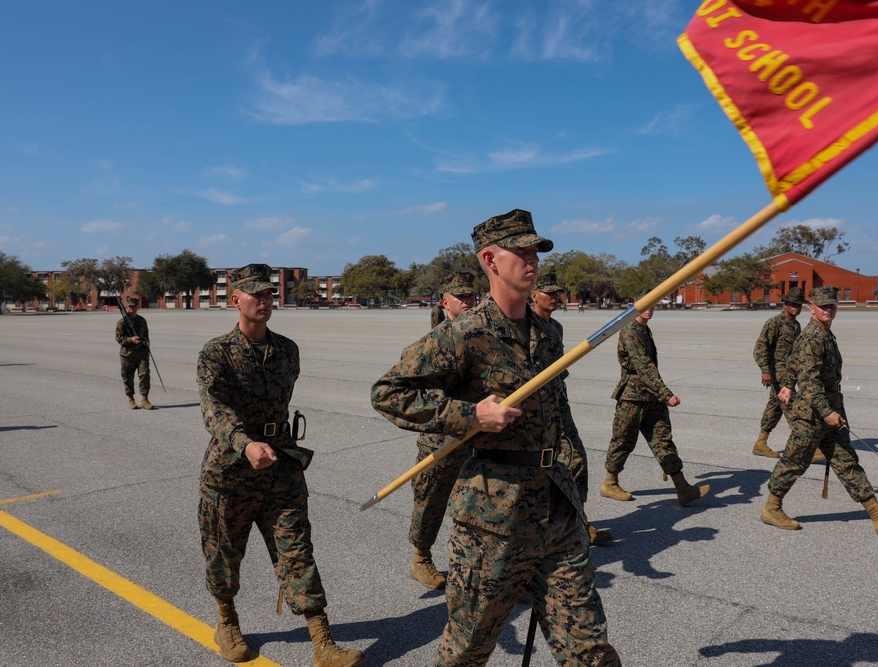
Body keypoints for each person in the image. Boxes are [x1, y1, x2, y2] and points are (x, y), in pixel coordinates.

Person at [372, 209, 620, 666]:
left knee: (590, 650)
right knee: (468, 648)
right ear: (490, 258)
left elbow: (556, 406)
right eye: (520, 251)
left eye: (535, 251)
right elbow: (388, 394)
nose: (533, 260)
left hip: (556, 510)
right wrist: (470, 415)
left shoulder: (549, 332)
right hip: (493, 518)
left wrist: (573, 465)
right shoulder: (463, 334)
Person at [197, 263, 365, 667]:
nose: (265, 301)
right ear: (235, 299)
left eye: (270, 294)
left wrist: (271, 442)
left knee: (297, 551)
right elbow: (214, 409)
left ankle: (323, 643)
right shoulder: (216, 353)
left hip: (281, 466)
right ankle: (227, 621)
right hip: (230, 472)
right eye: (256, 295)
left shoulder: (287, 350)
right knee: (224, 552)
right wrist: (245, 442)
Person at [761, 286, 878, 535]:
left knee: (847, 462)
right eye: (823, 306)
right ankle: (772, 509)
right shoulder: (813, 338)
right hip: (811, 416)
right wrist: (825, 411)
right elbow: (810, 382)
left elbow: (792, 362)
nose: (828, 310)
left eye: (832, 306)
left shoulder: (824, 334)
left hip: (830, 412)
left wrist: (788, 385)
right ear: (811, 309)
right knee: (794, 462)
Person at [407, 270, 478, 590]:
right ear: (444, 301)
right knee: (430, 501)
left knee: (479, 508)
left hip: (477, 437)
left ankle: (484, 571)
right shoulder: (433, 343)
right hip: (441, 438)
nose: (467, 301)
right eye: (460, 296)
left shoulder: (481, 336)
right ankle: (421, 559)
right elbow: (413, 395)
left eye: (470, 296)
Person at [599, 304, 710, 506]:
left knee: (663, 440)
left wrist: (659, 394)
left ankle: (682, 487)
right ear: (635, 307)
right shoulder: (630, 330)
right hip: (633, 397)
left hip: (651, 397)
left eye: (652, 305)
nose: (649, 309)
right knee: (623, 441)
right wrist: (665, 393)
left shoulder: (643, 329)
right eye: (645, 305)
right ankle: (609, 483)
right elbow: (643, 365)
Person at [531, 273, 612, 545]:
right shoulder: (524, 327)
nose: (555, 298)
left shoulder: (556, 326)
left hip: (558, 404)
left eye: (558, 293)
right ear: (534, 296)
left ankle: (578, 523)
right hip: (535, 408)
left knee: (576, 460)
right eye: (549, 293)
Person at [751, 286, 822, 463]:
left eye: (798, 305)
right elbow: (760, 348)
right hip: (777, 373)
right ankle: (806, 449)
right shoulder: (774, 323)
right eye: (792, 304)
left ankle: (760, 443)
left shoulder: (796, 325)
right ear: (785, 304)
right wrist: (766, 370)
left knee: (775, 407)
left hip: (790, 373)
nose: (795, 308)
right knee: (794, 406)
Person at [115, 296, 154, 410]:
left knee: (145, 375)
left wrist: (146, 344)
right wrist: (130, 339)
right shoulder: (122, 322)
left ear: (138, 307)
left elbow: (146, 335)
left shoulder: (142, 321)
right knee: (127, 377)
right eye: (130, 306)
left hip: (142, 353)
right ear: (127, 307)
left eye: (134, 306)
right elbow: (119, 338)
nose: (131, 309)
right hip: (127, 354)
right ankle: (131, 399)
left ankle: (145, 399)